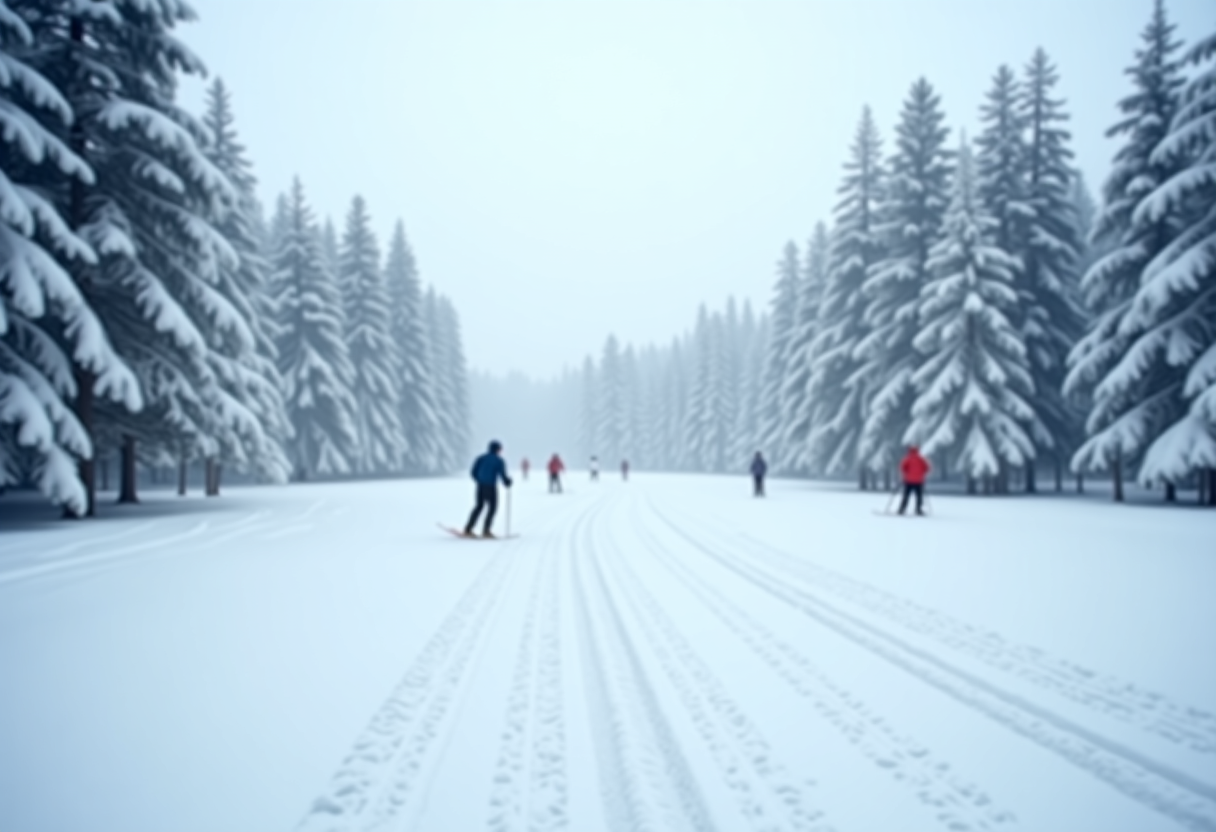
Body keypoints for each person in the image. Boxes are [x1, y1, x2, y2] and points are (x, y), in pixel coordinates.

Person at [464, 440, 513, 537]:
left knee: (479, 506)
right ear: (497, 449)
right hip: (491, 487)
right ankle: (486, 531)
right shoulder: (499, 461)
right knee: (492, 508)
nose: (501, 451)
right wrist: (507, 482)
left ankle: (468, 529)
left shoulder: (480, 458)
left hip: (480, 486)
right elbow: (502, 475)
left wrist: (479, 480)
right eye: (500, 449)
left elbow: (473, 472)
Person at [898, 445, 930, 515]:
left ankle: (902, 509)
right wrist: (922, 473)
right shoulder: (921, 459)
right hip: (919, 481)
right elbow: (927, 468)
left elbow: (902, 467)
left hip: (908, 480)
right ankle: (918, 510)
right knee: (919, 496)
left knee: (906, 495)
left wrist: (906, 474)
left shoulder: (907, 458)